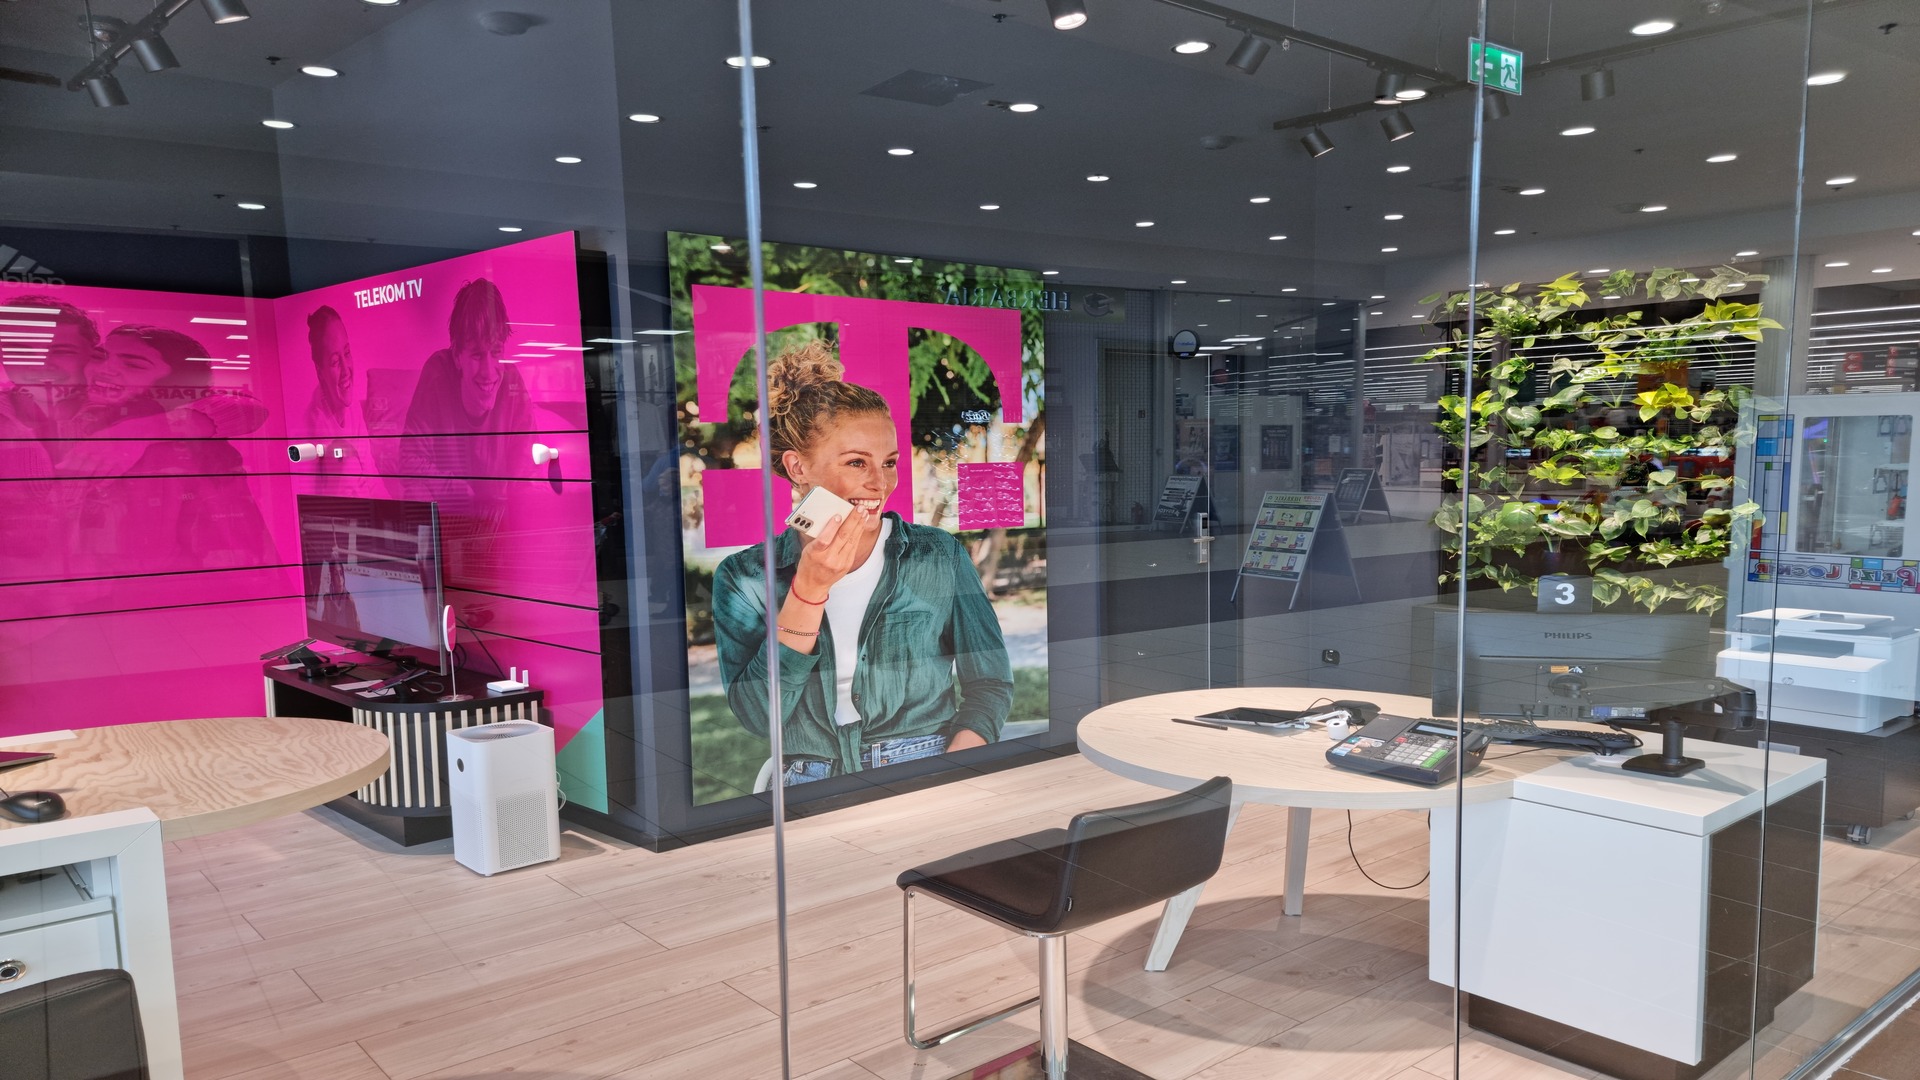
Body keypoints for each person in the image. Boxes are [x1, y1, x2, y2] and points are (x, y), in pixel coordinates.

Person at [711, 342, 1013, 786]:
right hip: (808, 780)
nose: (880, 482)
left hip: (926, 764)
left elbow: (990, 684)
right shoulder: (744, 578)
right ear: (798, 467)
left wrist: (953, 770)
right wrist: (808, 590)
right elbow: (759, 716)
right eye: (857, 462)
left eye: (889, 462)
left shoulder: (936, 555)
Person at [303, 305, 366, 436]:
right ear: (320, 372)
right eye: (335, 361)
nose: (346, 371)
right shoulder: (315, 424)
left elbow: (366, 450)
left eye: (347, 353)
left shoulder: (354, 405)